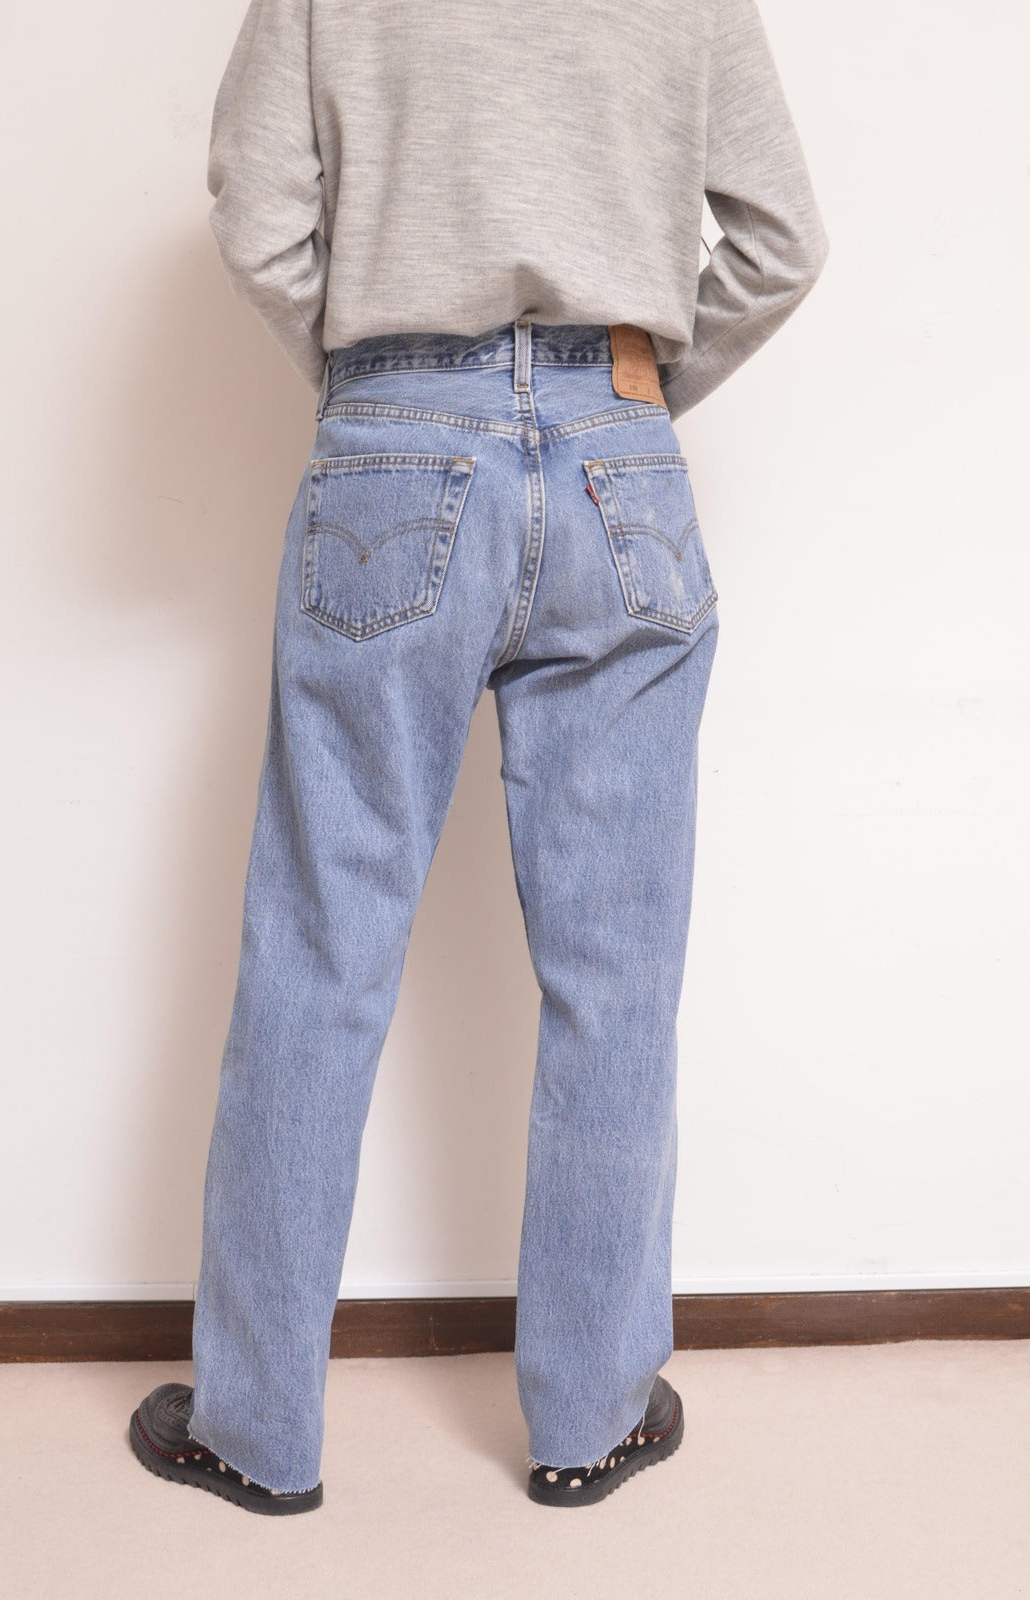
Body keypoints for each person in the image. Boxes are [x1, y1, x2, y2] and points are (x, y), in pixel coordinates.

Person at [129, 0, 828, 1515]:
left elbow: (259, 216)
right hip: (619, 464)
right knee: (615, 971)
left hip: (395, 440)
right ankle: (592, 1416)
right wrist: (622, 400)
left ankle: (256, 1432)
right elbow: (783, 243)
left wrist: (388, 390)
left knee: (319, 951)